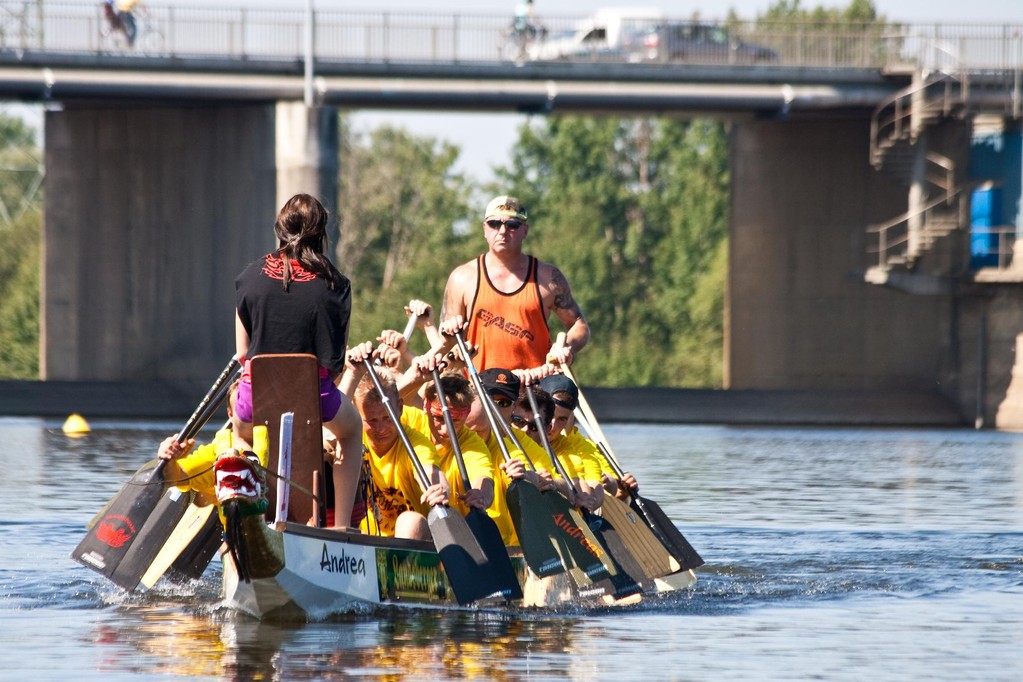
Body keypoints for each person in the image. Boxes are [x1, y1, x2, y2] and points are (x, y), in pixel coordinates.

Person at [234, 193, 363, 530]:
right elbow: (333, 362)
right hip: (312, 397)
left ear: (279, 229)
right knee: (351, 431)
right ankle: (342, 526)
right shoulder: (336, 284)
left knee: (241, 430)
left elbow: (242, 354)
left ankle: (243, 473)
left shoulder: (248, 277)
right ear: (321, 233)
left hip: (254, 395)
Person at [439, 195, 590, 374]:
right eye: (494, 224)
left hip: (533, 391)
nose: (502, 231)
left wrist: (566, 348)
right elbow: (445, 342)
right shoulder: (462, 278)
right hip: (480, 391)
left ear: (525, 231)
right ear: (484, 229)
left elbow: (579, 326)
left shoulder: (547, 277)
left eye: (512, 225)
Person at [342, 359, 450, 540]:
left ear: (399, 408)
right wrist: (352, 373)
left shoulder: (415, 442)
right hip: (367, 540)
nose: (382, 428)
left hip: (416, 540)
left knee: (410, 521)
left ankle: (399, 564)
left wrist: (439, 489)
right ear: (356, 412)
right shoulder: (351, 436)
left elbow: (432, 473)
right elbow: (326, 428)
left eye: (387, 417)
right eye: (372, 421)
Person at [158, 379, 269, 522]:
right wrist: (169, 458)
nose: (252, 414)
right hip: (240, 537)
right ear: (230, 414)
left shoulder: (293, 441)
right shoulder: (217, 451)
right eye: (244, 408)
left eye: (259, 407)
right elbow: (175, 477)